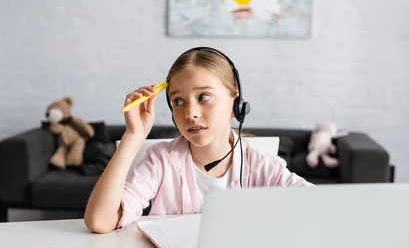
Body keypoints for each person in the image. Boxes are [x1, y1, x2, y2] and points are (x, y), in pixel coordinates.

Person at [84, 47, 313, 234]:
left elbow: (320, 208)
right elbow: (100, 221)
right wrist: (133, 136)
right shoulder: (161, 162)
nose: (190, 113)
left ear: (236, 106)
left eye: (204, 97)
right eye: (179, 101)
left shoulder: (262, 167)